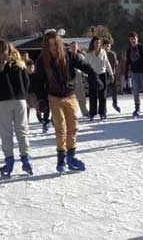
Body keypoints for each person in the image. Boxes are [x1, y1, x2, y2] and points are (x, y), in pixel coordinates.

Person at [33, 31, 101, 174]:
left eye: (55, 44)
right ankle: (61, 159)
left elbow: (85, 66)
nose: (53, 47)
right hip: (54, 97)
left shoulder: (69, 56)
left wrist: (94, 77)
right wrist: (42, 100)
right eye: (50, 45)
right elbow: (38, 83)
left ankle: (71, 157)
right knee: (61, 127)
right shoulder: (42, 61)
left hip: (70, 96)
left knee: (73, 127)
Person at [0, 41, 33, 176]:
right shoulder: (20, 64)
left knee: (6, 132)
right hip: (19, 100)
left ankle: (9, 162)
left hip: (4, 101)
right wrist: (21, 92)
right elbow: (27, 82)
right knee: (22, 131)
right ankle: (26, 159)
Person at [85, 37, 114, 121]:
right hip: (92, 75)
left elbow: (107, 63)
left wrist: (111, 74)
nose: (97, 44)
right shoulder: (89, 53)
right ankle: (92, 113)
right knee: (93, 95)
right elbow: (85, 65)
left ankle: (102, 112)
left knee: (102, 95)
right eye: (96, 42)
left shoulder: (103, 52)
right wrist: (86, 75)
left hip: (102, 74)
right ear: (93, 43)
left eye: (98, 42)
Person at [125, 32, 143, 117]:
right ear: (129, 40)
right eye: (131, 39)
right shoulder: (129, 50)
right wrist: (126, 74)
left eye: (134, 38)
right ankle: (137, 107)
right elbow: (128, 62)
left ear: (137, 38)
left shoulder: (141, 47)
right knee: (135, 91)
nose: (133, 40)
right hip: (134, 72)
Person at [69, 42, 90, 118]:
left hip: (79, 77)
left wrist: (86, 75)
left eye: (75, 46)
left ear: (77, 47)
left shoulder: (80, 56)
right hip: (70, 78)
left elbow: (85, 66)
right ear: (70, 47)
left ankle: (85, 112)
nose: (74, 48)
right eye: (72, 46)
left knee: (81, 96)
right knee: (68, 97)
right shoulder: (67, 56)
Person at [103, 39, 121, 113]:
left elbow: (116, 63)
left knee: (114, 91)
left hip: (112, 74)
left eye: (109, 46)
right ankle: (103, 107)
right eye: (106, 46)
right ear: (103, 46)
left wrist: (116, 64)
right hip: (104, 74)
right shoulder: (102, 53)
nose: (108, 47)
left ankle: (115, 104)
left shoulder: (112, 54)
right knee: (104, 92)